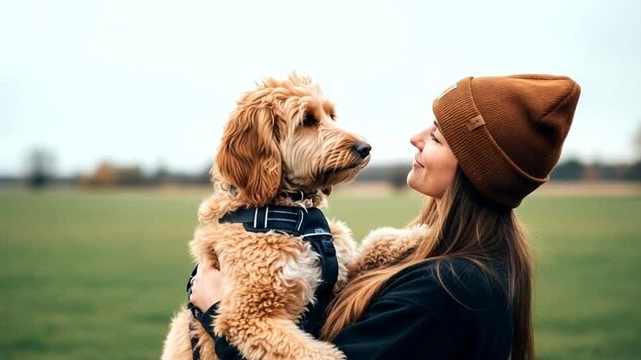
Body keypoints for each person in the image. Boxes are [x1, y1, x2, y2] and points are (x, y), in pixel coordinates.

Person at [189, 74, 581, 359]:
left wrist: (216, 314)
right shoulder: (444, 260)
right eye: (311, 122)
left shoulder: (449, 290)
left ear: (474, 168)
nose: (416, 136)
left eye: (439, 136)